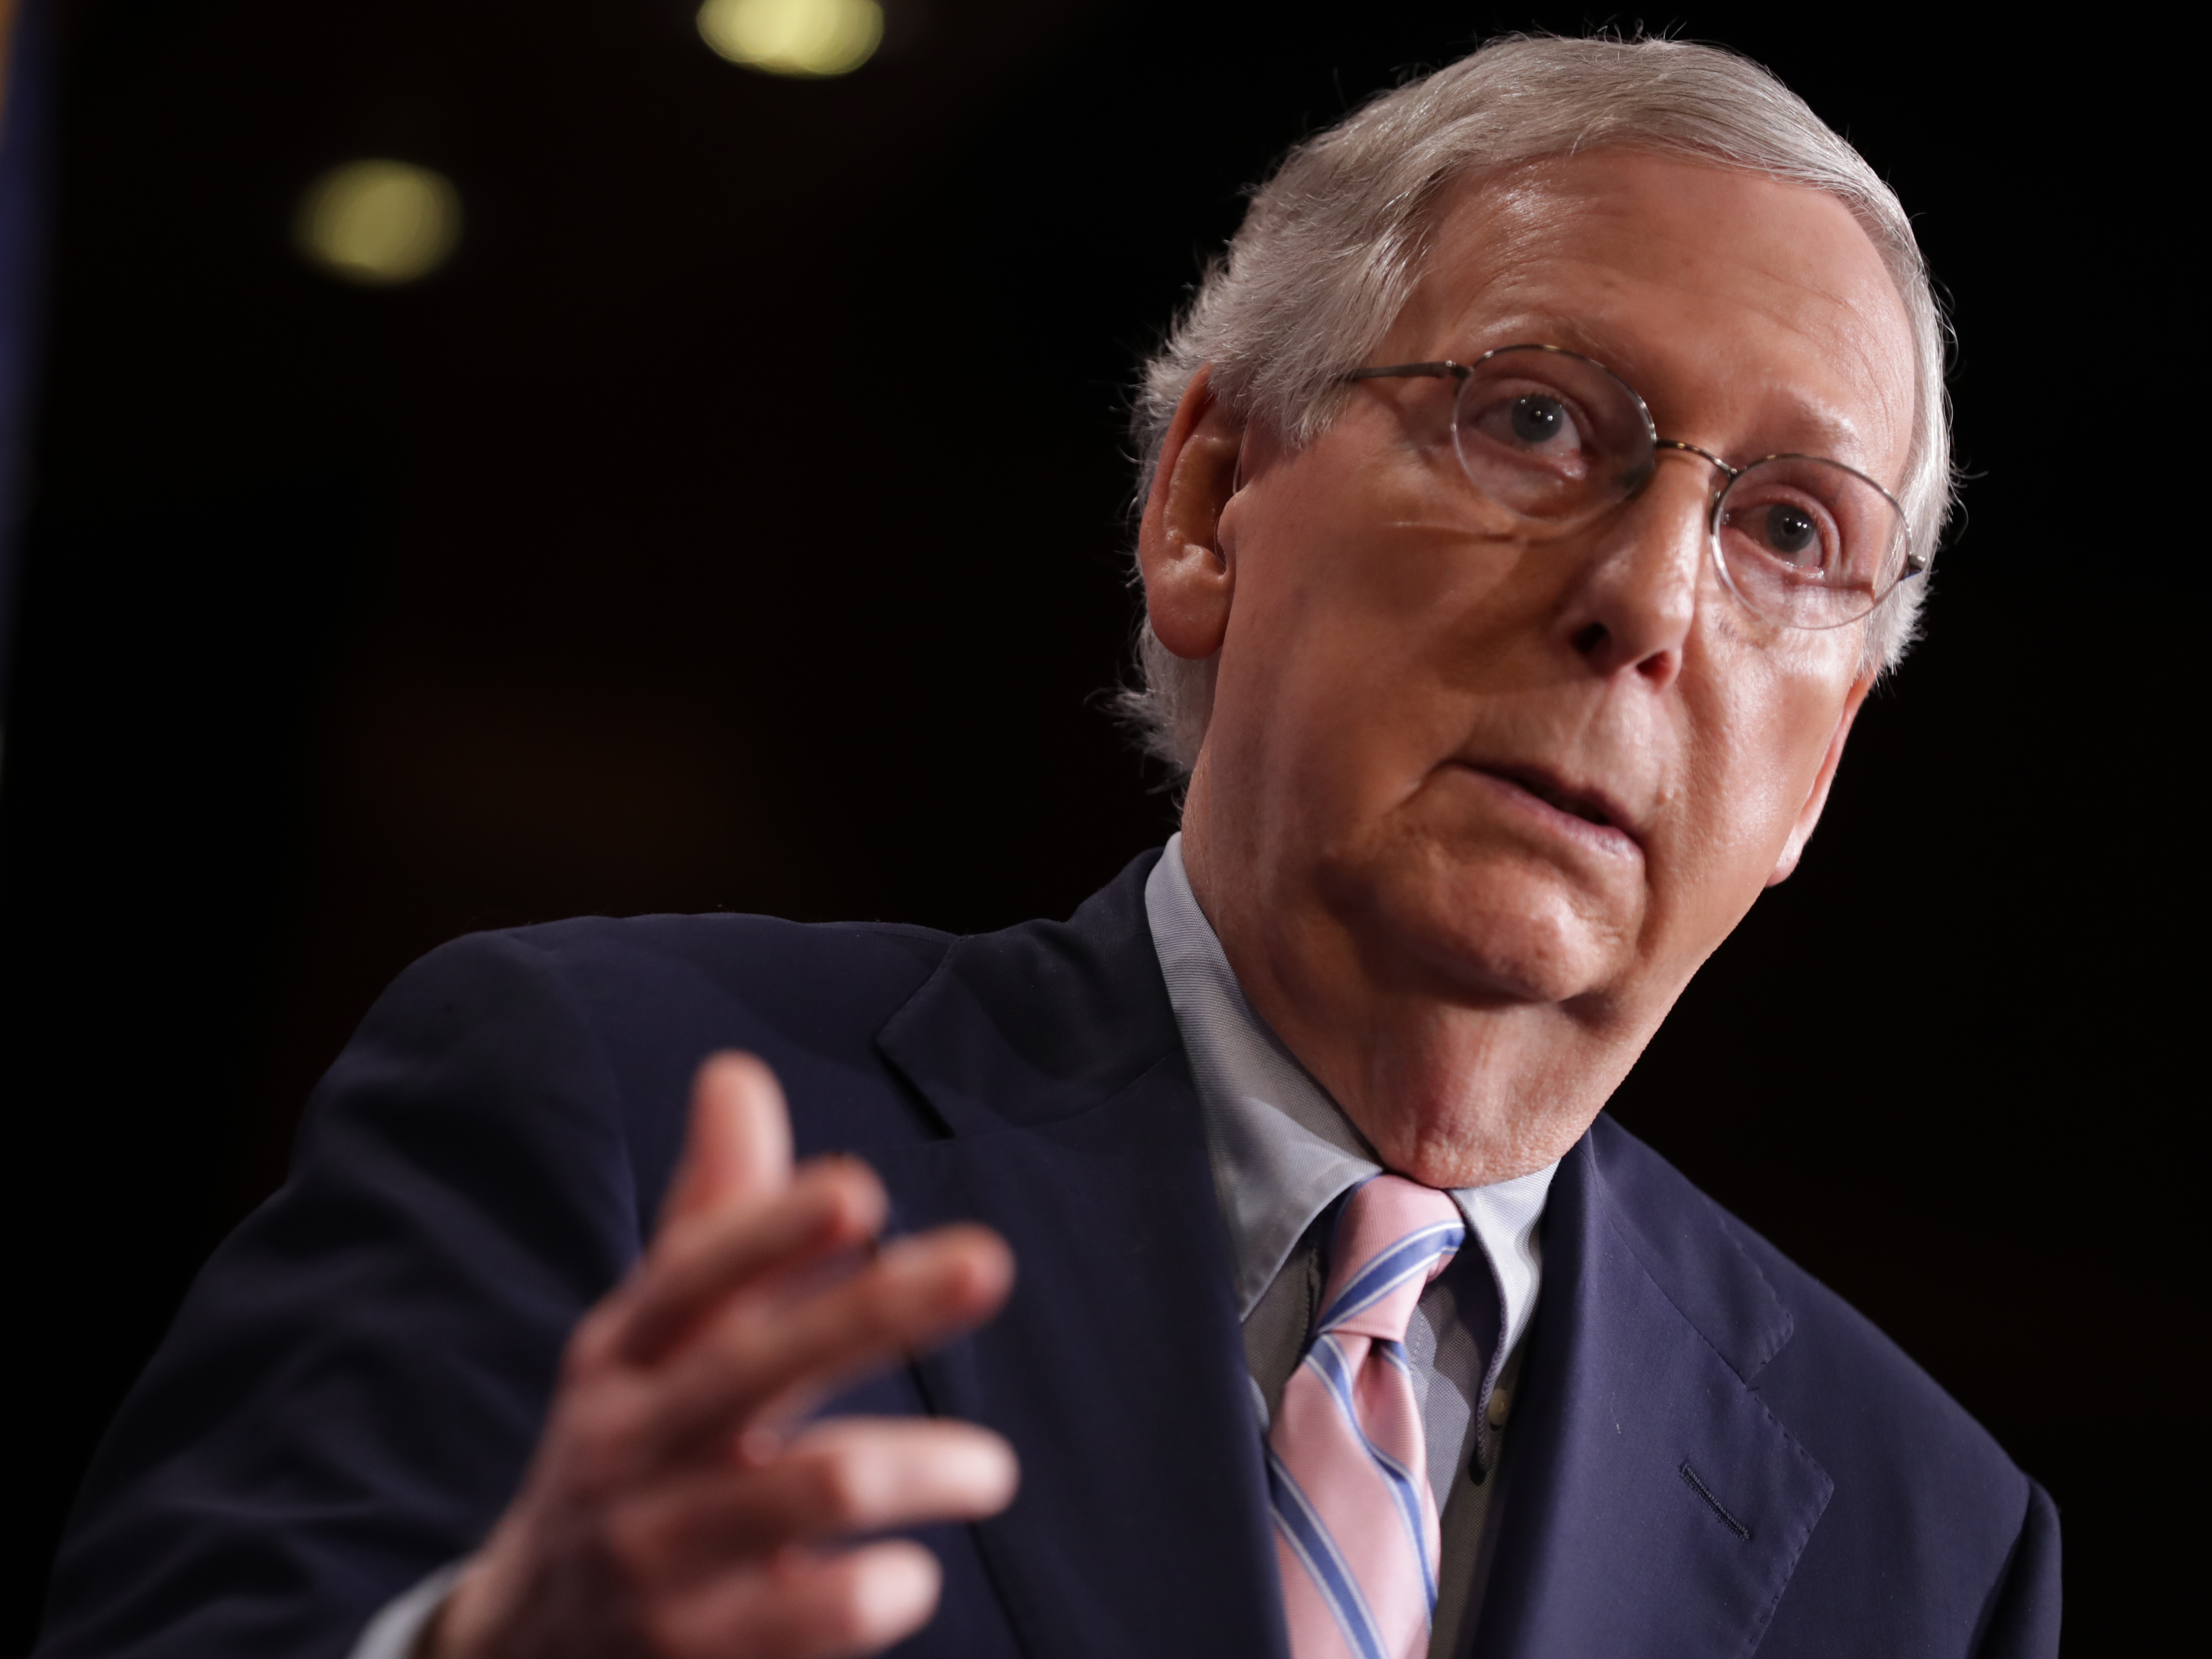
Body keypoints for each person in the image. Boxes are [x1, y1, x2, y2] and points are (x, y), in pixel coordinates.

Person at [33, 33, 2059, 1659]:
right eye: (1536, 420)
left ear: (1818, 771)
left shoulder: (1922, 1541)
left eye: (1788, 531)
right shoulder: (606, 1108)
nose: (1644, 599)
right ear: (1203, 506)